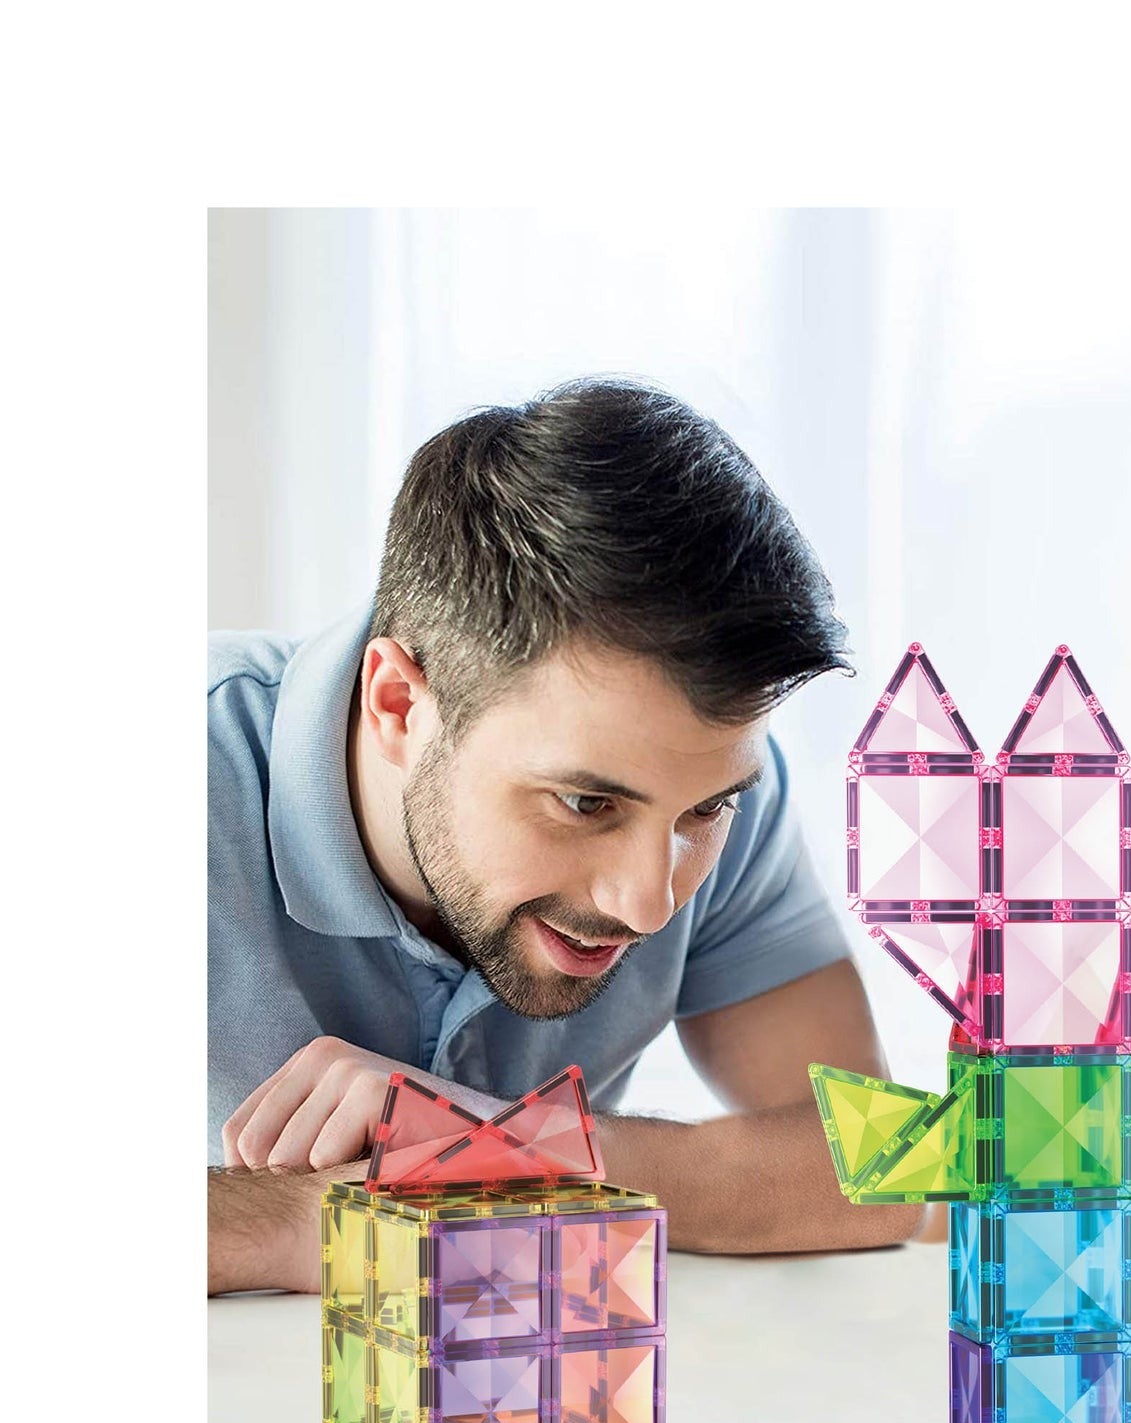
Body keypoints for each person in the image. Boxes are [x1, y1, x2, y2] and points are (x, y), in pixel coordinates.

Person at [209, 378, 914, 1294]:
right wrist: (318, 1216)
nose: (649, 903)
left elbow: (891, 1173)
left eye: (704, 813)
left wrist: (505, 1149)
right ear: (399, 705)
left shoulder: (705, 773)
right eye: (585, 804)